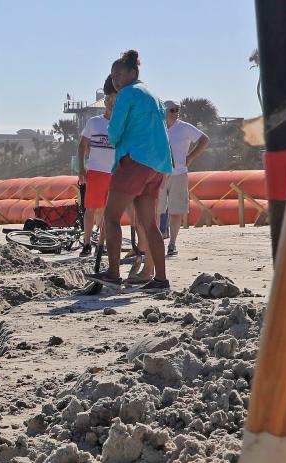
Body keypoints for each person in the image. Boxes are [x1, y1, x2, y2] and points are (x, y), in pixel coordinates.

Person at [91, 50, 172, 291]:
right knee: (149, 224)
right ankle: (160, 280)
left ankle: (114, 273)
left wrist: (116, 141)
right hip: (157, 165)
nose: (116, 79)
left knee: (111, 216)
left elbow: (114, 130)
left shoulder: (127, 94)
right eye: (113, 76)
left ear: (132, 73)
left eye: (119, 74)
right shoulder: (153, 96)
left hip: (135, 160)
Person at [159, 101, 209, 256]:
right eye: (172, 110)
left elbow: (204, 140)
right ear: (164, 111)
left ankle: (172, 243)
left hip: (179, 173)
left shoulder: (184, 127)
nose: (176, 112)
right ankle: (156, 242)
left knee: (176, 210)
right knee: (156, 210)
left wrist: (190, 157)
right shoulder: (157, 127)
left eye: (177, 110)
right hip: (158, 174)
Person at [77, 77, 118, 258]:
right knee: (91, 209)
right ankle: (86, 244)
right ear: (106, 101)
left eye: (116, 100)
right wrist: (81, 168)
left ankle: (104, 244)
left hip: (115, 173)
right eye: (109, 100)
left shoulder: (121, 125)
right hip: (95, 172)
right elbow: (82, 145)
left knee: (109, 212)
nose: (112, 103)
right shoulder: (94, 122)